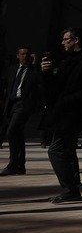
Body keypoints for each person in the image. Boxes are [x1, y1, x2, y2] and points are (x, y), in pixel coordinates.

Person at [40, 28, 82, 202]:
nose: (62, 42)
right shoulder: (66, 62)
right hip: (62, 112)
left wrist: (67, 100)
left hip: (72, 114)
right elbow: (53, 90)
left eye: (66, 39)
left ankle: (70, 188)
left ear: (76, 40)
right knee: (67, 149)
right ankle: (74, 185)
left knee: (55, 150)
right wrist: (46, 74)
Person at [2, 47, 39, 175]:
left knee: (11, 131)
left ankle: (13, 164)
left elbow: (39, 83)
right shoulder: (12, 69)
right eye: (23, 54)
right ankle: (20, 166)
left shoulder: (34, 70)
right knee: (18, 133)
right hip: (11, 103)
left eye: (28, 54)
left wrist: (36, 65)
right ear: (17, 55)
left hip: (23, 104)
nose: (25, 56)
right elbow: (6, 85)